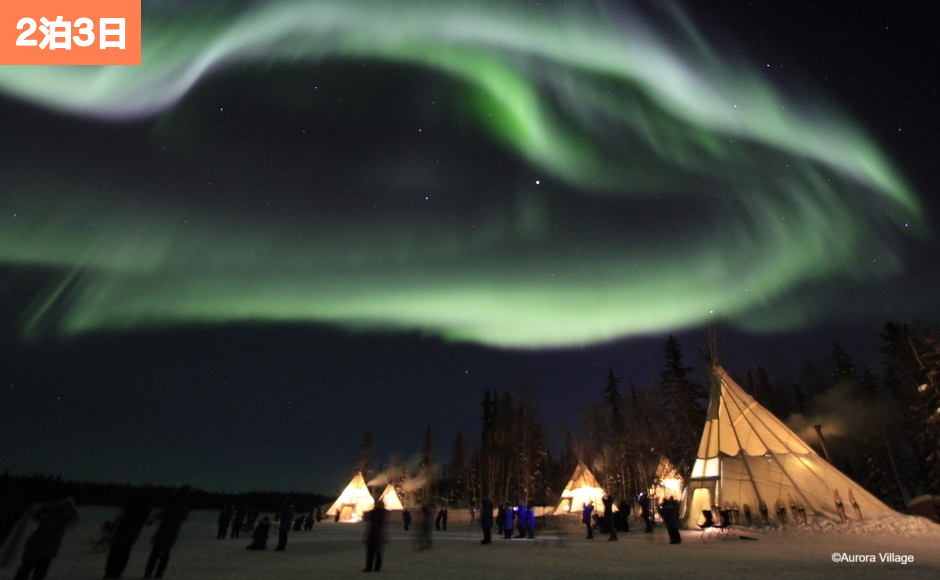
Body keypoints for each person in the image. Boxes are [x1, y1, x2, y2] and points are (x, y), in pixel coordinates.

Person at [13, 497, 78, 580]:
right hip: (38, 547)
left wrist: (69, 507)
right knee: (27, 571)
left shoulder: (62, 512)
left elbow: (73, 521)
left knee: (35, 572)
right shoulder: (50, 511)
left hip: (46, 549)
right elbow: (36, 514)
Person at [144, 485, 192, 579]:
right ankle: (158, 573)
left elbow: (164, 513)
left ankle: (149, 573)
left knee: (155, 552)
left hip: (166, 528)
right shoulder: (185, 504)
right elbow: (183, 516)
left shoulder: (175, 501)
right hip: (173, 530)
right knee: (164, 552)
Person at [104, 491, 152, 579]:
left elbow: (122, 517)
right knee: (124, 552)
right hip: (133, 533)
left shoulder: (133, 506)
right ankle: (117, 572)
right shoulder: (146, 509)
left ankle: (110, 572)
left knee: (115, 551)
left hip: (123, 531)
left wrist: (114, 525)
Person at [363, 499, 387, 572]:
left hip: (374, 534)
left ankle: (369, 567)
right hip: (378, 535)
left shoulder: (375, 513)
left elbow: (370, 518)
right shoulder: (383, 513)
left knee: (371, 552)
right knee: (378, 553)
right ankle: (377, 567)